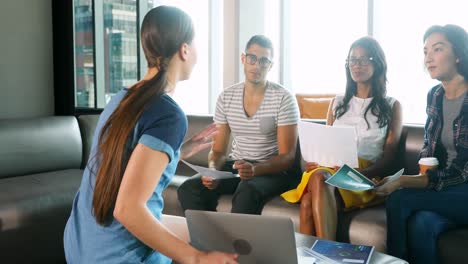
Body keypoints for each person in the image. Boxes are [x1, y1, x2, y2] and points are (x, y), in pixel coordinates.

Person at [63, 6, 238, 264]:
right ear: (184, 49)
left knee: (200, 232)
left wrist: (178, 151)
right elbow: (127, 209)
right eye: (196, 44)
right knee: (215, 247)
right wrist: (197, 258)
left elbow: (124, 169)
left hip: (81, 248)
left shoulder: (121, 100)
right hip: (119, 257)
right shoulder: (168, 114)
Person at [281, 36, 403, 240]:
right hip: (328, 170)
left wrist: (361, 172)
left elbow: (389, 156)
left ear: (378, 64)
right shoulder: (337, 103)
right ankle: (328, 257)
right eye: (352, 60)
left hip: (361, 175)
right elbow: (323, 142)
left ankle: (318, 258)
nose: (357, 65)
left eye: (364, 59)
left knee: (308, 202)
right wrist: (308, 163)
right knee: (319, 176)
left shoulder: (392, 105)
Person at [177, 35, 301, 215]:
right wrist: (213, 170)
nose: (257, 65)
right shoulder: (226, 97)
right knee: (188, 188)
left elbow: (287, 157)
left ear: (270, 65)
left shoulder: (284, 98)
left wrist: (256, 169)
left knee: (247, 190)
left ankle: (237, 244)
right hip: (238, 166)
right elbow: (218, 151)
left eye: (264, 61)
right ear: (243, 59)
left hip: (272, 170)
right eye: (252, 58)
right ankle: (207, 241)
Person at [376, 24, 468, 264]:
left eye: (437, 49)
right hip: (447, 191)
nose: (428, 58)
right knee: (422, 223)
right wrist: (418, 177)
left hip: (463, 188)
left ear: (458, 54)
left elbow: (461, 171)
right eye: (425, 51)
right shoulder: (435, 95)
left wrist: (406, 182)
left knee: (399, 197)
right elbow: (428, 148)